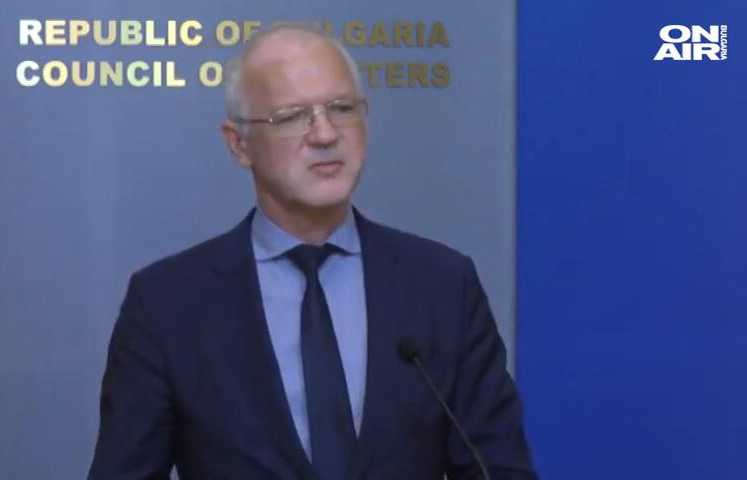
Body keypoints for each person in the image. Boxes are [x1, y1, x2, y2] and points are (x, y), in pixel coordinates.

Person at [88, 23, 537, 480]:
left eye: (342, 109)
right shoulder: (168, 304)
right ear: (239, 144)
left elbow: (499, 470)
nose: (324, 134)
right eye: (291, 117)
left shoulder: (442, 286)